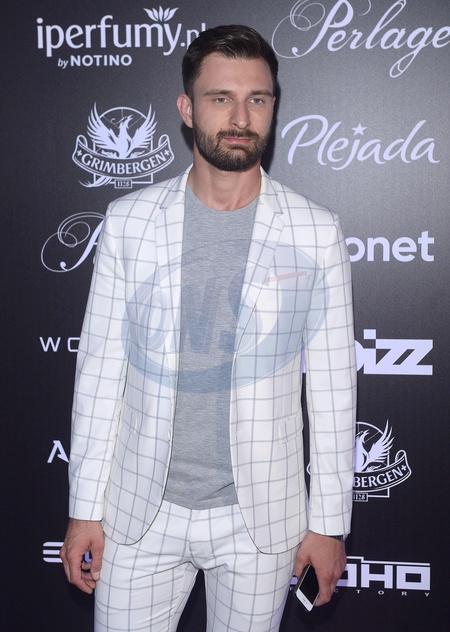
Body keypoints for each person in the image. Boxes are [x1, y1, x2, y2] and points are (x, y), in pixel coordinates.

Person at [60, 24, 357, 632]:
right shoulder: (129, 222)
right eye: (221, 98)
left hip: (261, 521)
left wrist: (329, 523)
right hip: (137, 513)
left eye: (257, 99)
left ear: (273, 106)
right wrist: (84, 508)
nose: (240, 117)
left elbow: (332, 388)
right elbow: (99, 374)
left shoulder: (316, 230)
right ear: (187, 109)